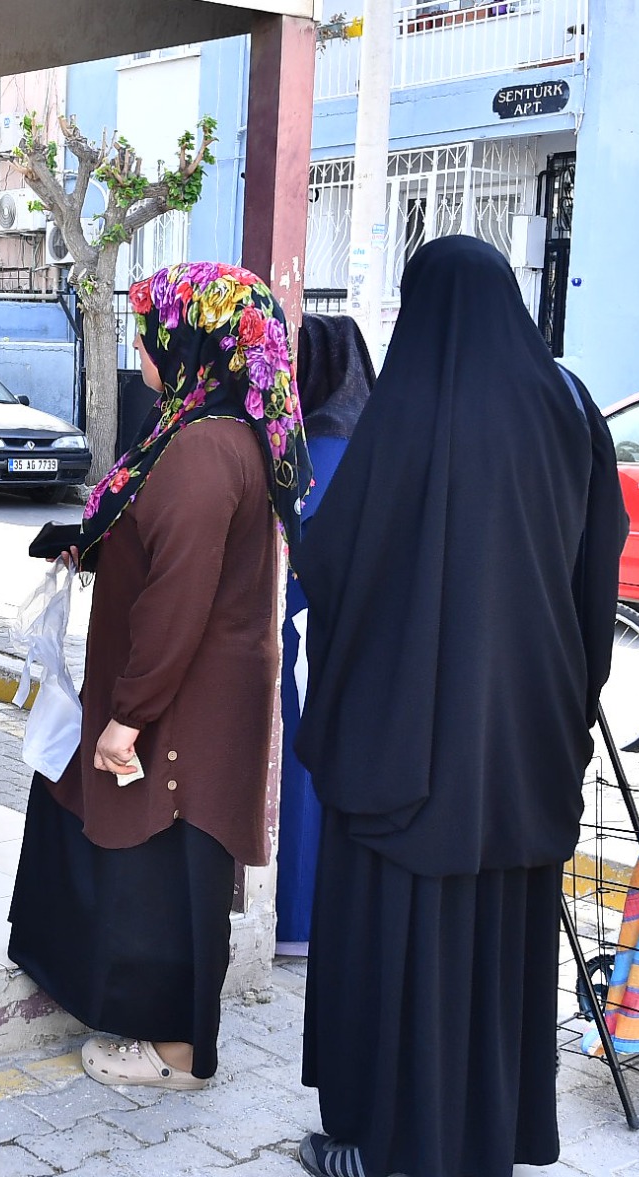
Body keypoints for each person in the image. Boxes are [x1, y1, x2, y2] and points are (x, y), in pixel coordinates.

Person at [292, 236, 627, 1177]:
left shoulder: (415, 407)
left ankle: (393, 1147)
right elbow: (598, 565)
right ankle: (493, 1136)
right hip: (526, 739)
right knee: (503, 936)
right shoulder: (570, 404)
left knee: (405, 936)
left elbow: (338, 560)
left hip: (413, 744)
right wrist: (565, 688)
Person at [8, 262, 312, 1089]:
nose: (141, 344)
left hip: (181, 704)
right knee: (160, 857)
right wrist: (93, 542)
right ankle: (166, 1035)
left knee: (169, 864)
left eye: (152, 328)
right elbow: (161, 542)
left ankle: (177, 1054)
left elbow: (179, 593)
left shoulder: (203, 447)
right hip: (197, 694)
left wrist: (129, 715)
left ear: (189, 341)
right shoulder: (204, 428)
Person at [275, 315, 377, 956]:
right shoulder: (379, 442)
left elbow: (293, 553)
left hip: (302, 641)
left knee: (296, 777)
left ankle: (295, 920)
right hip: (358, 646)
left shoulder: (316, 452)